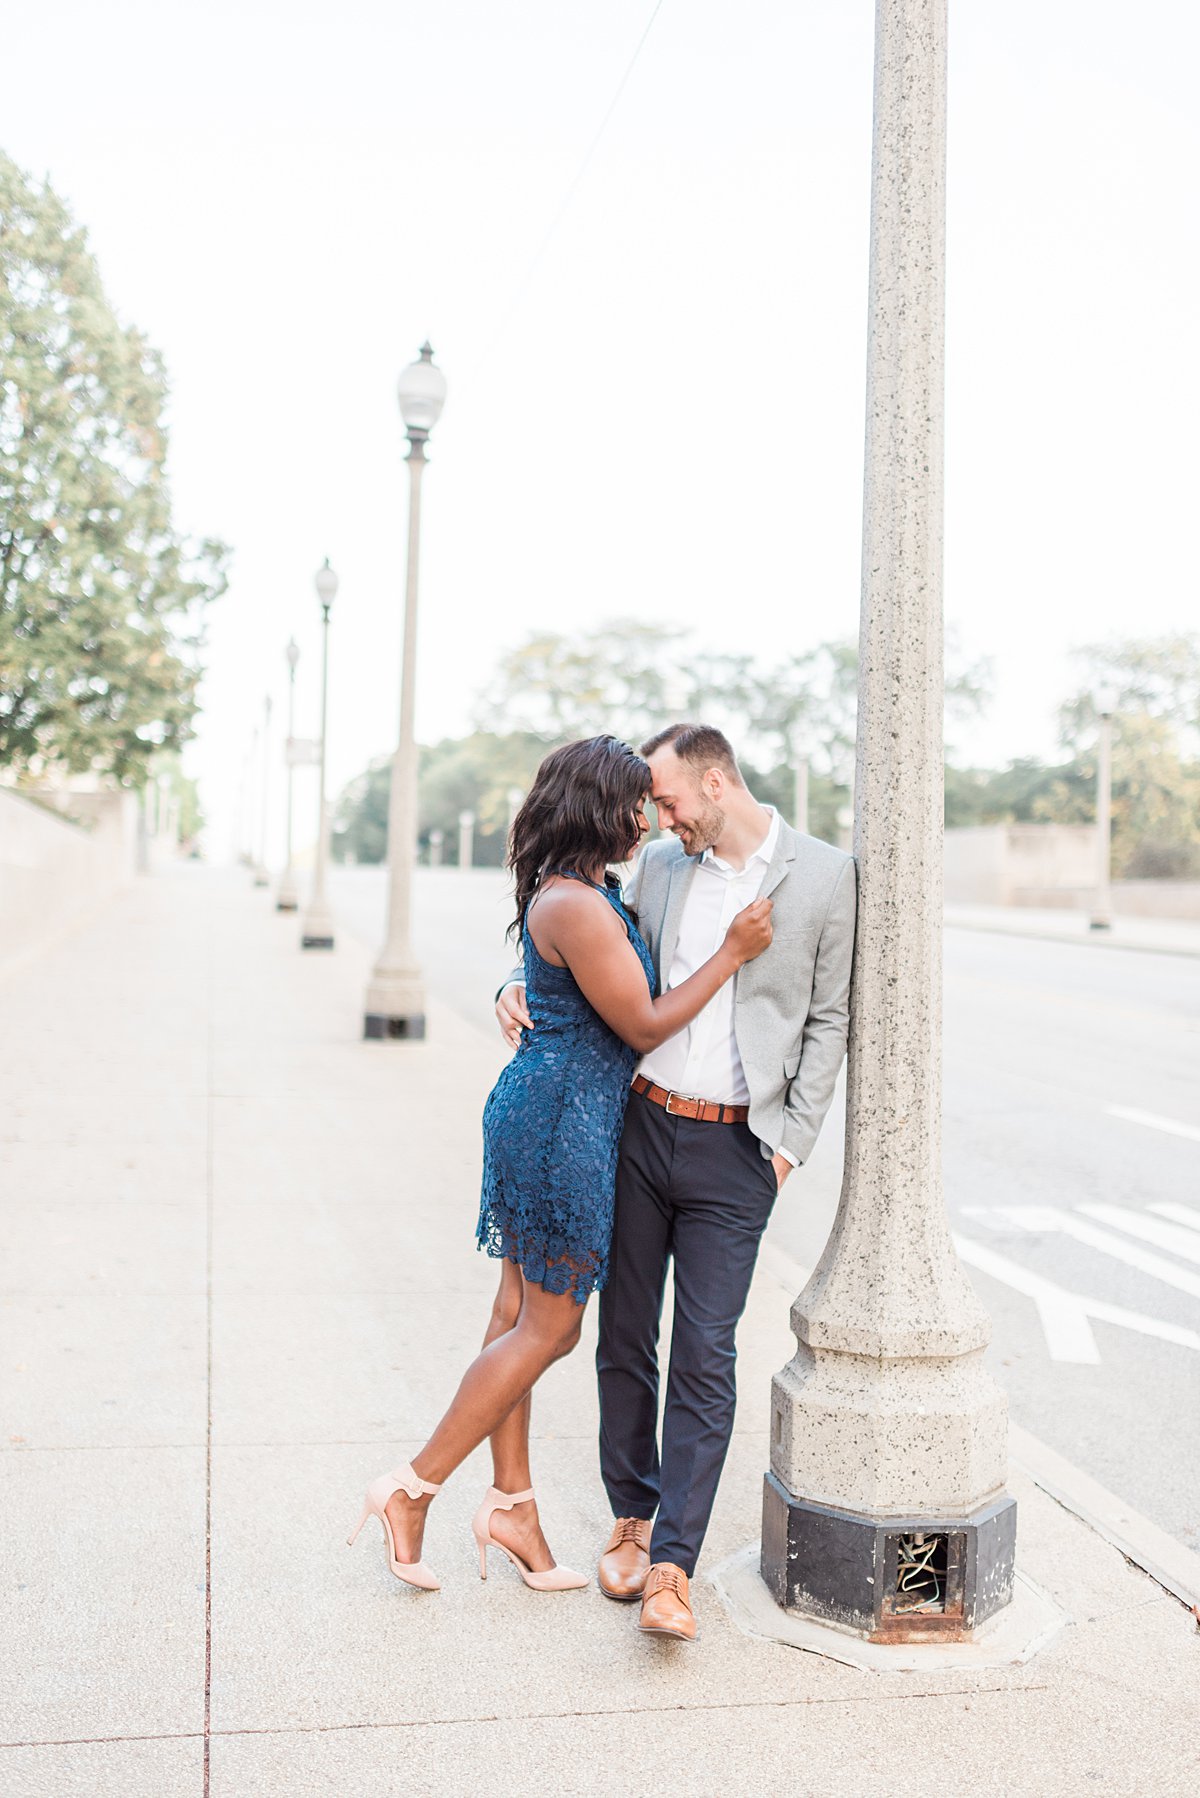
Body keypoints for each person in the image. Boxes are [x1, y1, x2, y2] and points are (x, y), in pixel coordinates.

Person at [349, 734, 772, 1595]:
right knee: (552, 1328)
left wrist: (521, 985)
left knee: (515, 1312)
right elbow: (646, 1025)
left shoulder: (585, 892)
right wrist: (731, 953)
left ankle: (515, 1510)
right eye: (636, 804)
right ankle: (413, 1486)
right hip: (562, 1125)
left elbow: (569, 979)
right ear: (597, 809)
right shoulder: (576, 903)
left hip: (547, 1109)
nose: (648, 820)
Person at [496, 723, 855, 1639]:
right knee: (624, 1335)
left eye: (667, 800)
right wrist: (516, 985)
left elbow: (829, 1019)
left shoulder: (821, 875)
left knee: (705, 1353)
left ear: (718, 782)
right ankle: (631, 1512)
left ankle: (672, 1566)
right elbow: (587, 943)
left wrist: (788, 1147)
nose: (656, 819)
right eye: (650, 805)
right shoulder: (658, 870)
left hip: (739, 1151)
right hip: (640, 1126)